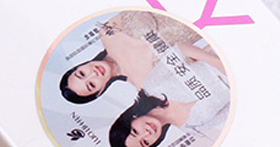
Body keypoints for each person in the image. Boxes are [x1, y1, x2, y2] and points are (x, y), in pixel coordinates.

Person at [109, 42, 231, 147]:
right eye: (145, 142)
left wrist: (217, 63)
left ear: (131, 119)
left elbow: (180, 49)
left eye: (135, 131)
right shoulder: (194, 128)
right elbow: (232, 108)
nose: (147, 133)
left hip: (223, 50)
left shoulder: (152, 87)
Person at [60, 10, 201, 104]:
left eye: (82, 73)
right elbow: (197, 62)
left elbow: (138, 5)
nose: (93, 74)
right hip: (203, 21)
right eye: (92, 84)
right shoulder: (144, 82)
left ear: (79, 66)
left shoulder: (106, 32)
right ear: (100, 91)